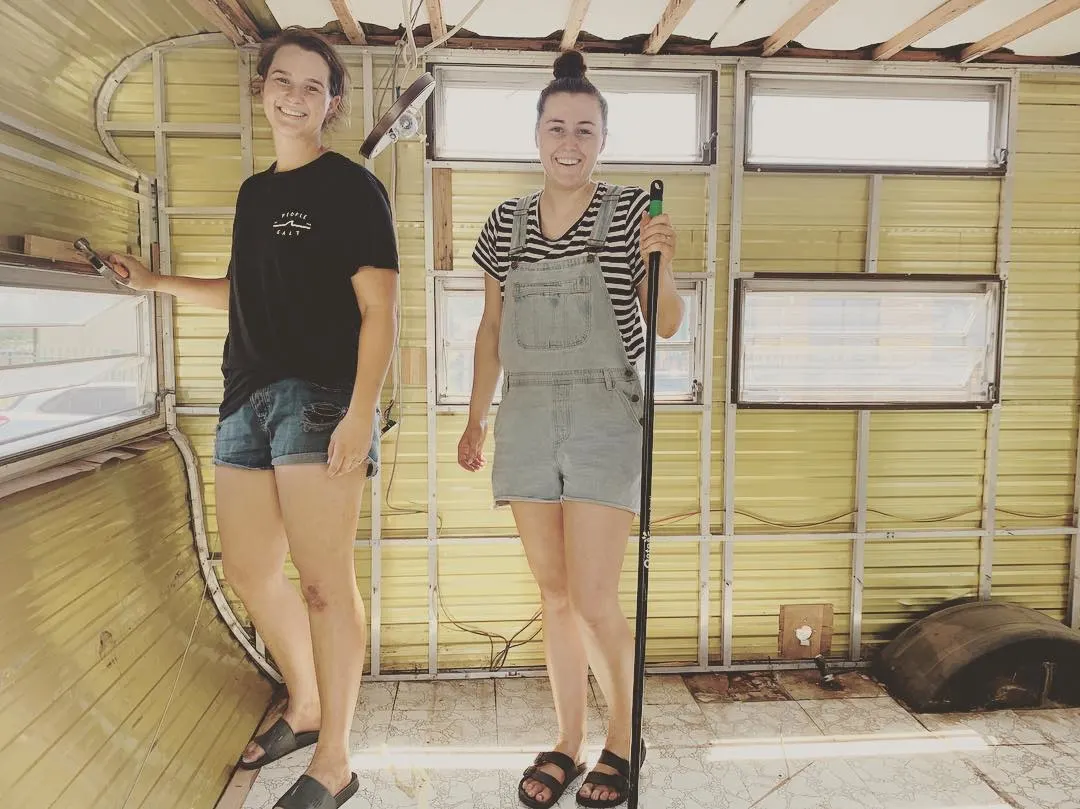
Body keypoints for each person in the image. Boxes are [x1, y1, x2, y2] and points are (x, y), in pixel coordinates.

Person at [107, 26, 398, 809]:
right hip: (246, 397)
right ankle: (304, 705)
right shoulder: (255, 193)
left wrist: (358, 416)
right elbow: (239, 294)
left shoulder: (352, 187)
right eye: (283, 80)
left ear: (331, 102)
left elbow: (381, 310)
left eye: (313, 86)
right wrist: (154, 281)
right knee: (249, 571)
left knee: (325, 585)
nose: (295, 95)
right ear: (262, 87)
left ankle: (334, 760)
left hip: (321, 399)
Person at [457, 50, 684, 809]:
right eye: (557, 127)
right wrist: (473, 418)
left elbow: (667, 323)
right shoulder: (503, 224)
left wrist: (664, 263)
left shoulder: (631, 214)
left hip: (600, 415)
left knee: (594, 597)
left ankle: (625, 735)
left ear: (602, 140)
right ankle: (568, 738)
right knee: (553, 595)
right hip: (523, 413)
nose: (569, 142)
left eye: (585, 130)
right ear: (536, 134)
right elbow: (491, 329)